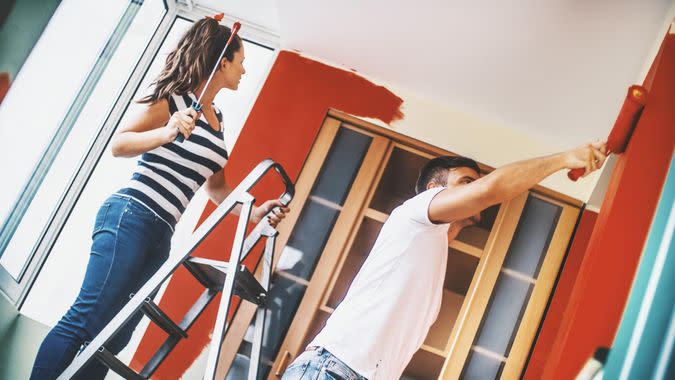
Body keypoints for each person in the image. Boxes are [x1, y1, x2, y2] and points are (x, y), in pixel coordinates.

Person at [30, 16, 289, 379]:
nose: (245, 68)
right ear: (222, 60)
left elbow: (215, 189)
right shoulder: (174, 101)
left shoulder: (218, 120)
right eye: (241, 60)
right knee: (87, 319)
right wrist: (167, 132)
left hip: (161, 235)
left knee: (115, 336)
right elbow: (119, 144)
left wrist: (255, 210)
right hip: (131, 215)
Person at [281, 141, 607, 380]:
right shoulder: (414, 214)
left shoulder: (433, 247)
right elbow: (489, 191)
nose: (475, 188)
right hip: (333, 368)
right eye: (467, 181)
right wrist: (565, 157)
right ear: (435, 189)